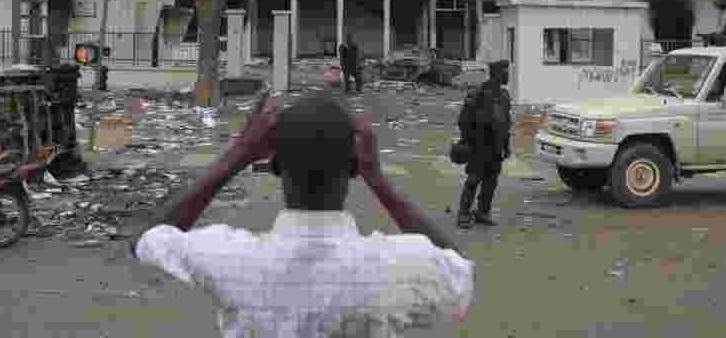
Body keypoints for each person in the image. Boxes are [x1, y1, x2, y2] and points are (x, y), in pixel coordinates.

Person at [132, 92, 474, 336]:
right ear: (356, 167)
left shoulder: (230, 257)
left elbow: (148, 240)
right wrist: (380, 182)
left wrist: (238, 154)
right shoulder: (390, 266)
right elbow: (458, 271)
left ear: (276, 166)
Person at [456, 60, 512, 229]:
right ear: (496, 74)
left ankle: (482, 212)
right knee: (474, 179)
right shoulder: (478, 94)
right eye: (505, 72)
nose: (507, 75)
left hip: (496, 145)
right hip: (479, 145)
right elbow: (463, 121)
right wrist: (467, 141)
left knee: (491, 181)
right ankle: (463, 214)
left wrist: (506, 145)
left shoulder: (504, 96)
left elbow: (506, 122)